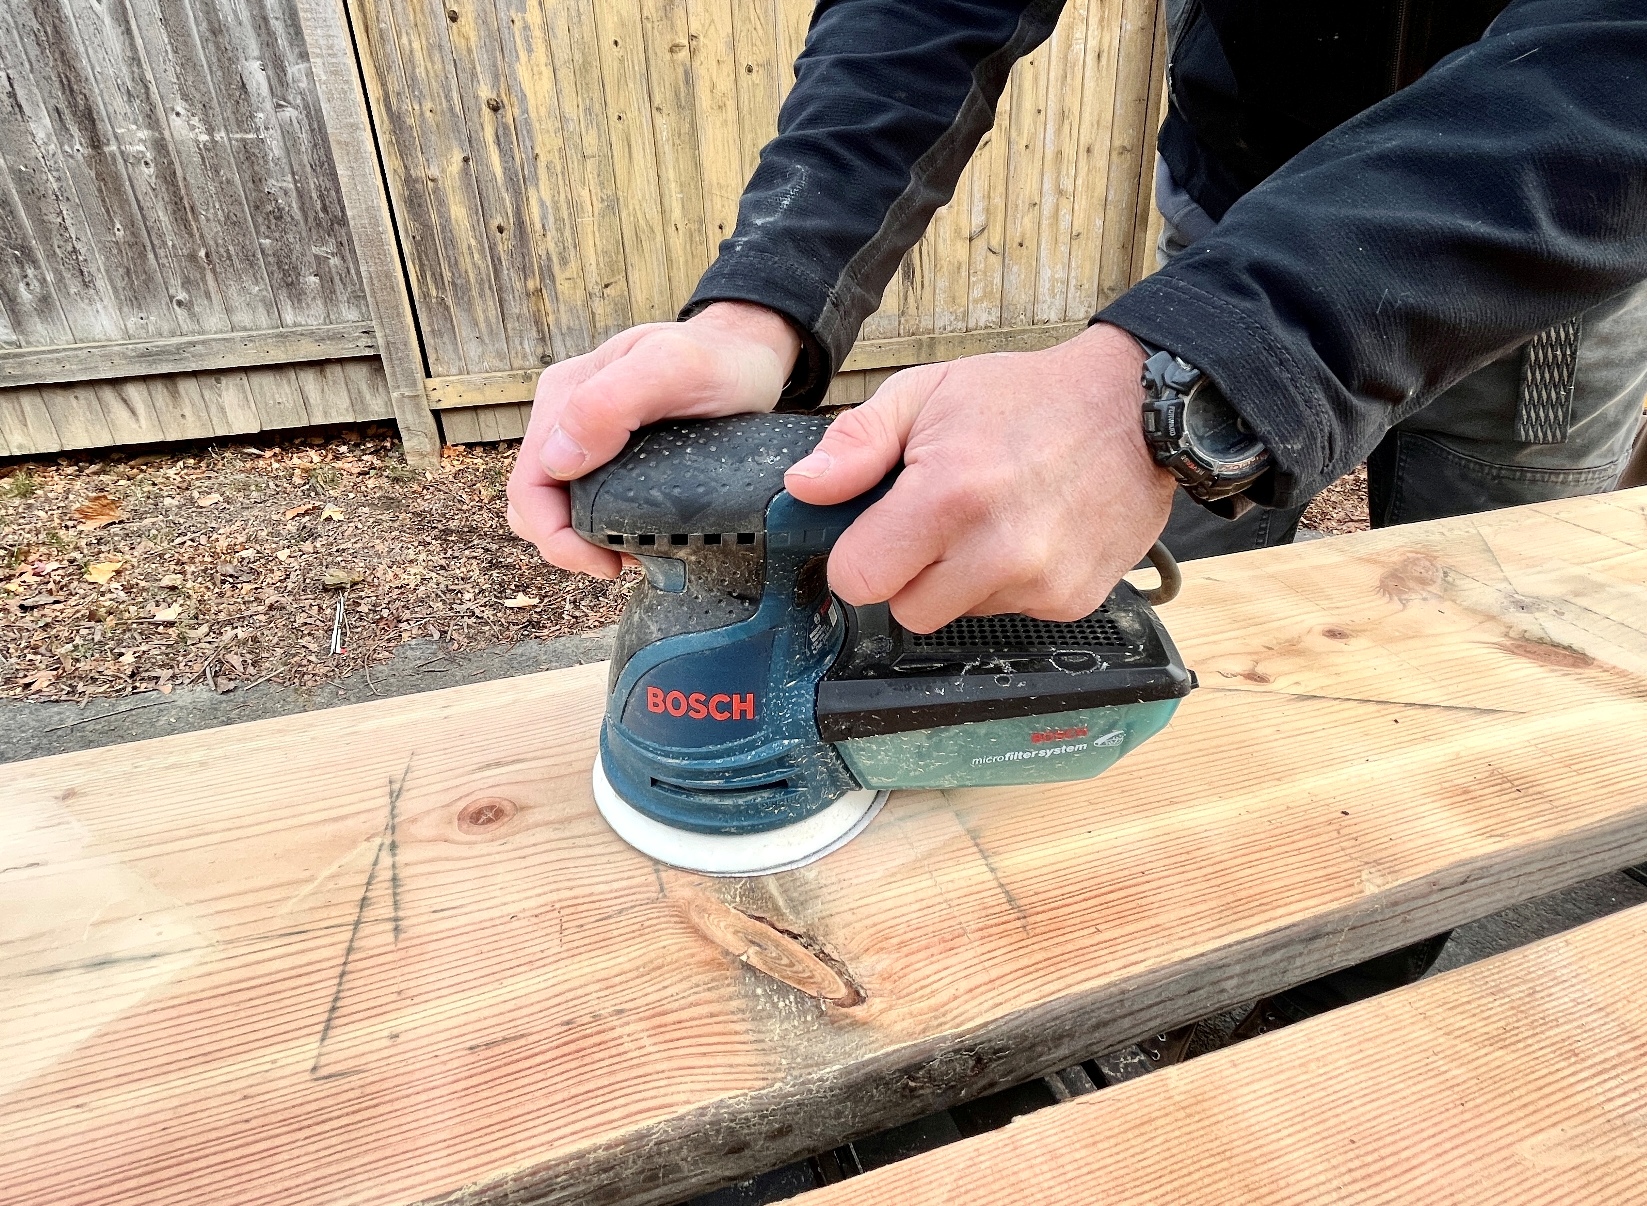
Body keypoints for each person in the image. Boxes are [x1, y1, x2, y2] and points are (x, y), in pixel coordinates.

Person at [508, 1, 1647, 1049]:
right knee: (1173, 644)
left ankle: (1331, 1016)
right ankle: (1160, 978)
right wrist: (763, 303)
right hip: (1244, 193)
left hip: (1544, 236)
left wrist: (1186, 376)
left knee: (1470, 701)